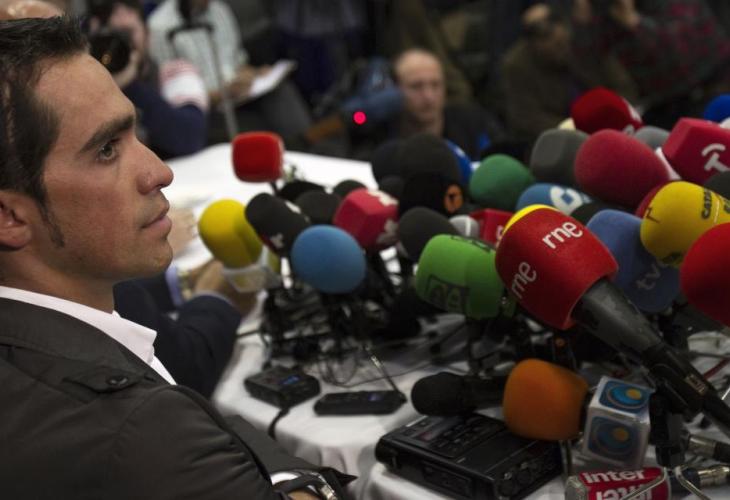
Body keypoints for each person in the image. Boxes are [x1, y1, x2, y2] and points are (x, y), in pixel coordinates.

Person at [0, 15, 351, 498]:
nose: (160, 171)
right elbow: (161, 431)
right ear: (9, 216)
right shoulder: (141, 430)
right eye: (106, 150)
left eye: (134, 135)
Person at [147, 0, 313, 146]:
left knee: (282, 92)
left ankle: (308, 142)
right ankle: (297, 147)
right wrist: (222, 93)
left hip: (239, 95)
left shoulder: (219, 10)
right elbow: (171, 100)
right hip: (207, 110)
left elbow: (237, 61)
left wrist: (256, 73)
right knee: (259, 125)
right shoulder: (160, 27)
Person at [571, 0, 730, 129]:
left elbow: (679, 56)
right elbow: (586, 65)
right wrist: (583, 21)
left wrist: (634, 21)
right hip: (662, 106)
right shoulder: (608, 12)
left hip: (711, 89)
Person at [86, 0, 209, 159]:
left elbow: (190, 138)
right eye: (110, 35)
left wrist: (130, 84)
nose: (118, 44)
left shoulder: (174, 72)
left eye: (127, 32)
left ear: (147, 34)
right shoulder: (86, 89)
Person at [501, 2, 638, 143]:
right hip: (559, 140)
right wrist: (577, 129)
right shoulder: (517, 66)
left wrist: (614, 114)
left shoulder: (586, 40)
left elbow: (624, 86)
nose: (554, 42)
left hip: (611, 123)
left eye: (559, 43)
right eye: (542, 36)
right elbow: (528, 118)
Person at [386, 47, 501, 160]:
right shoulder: (384, 135)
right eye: (416, 86)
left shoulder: (475, 125)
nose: (429, 97)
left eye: (436, 85)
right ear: (395, 89)